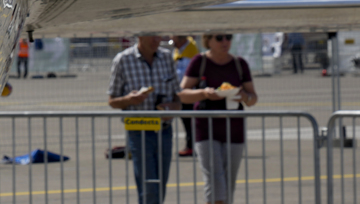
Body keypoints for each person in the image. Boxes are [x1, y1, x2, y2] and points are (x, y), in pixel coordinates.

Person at [180, 33, 258, 204]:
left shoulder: (239, 63)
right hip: (206, 128)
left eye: (228, 37)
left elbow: (253, 98)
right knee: (215, 180)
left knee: (228, 182)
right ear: (208, 40)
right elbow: (183, 94)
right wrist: (203, 93)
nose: (225, 42)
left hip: (234, 129)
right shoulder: (200, 61)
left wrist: (244, 96)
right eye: (219, 38)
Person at [108, 34, 181, 204]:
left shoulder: (166, 57)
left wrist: (172, 107)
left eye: (159, 36)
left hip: (164, 129)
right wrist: (129, 99)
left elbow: (178, 97)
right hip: (138, 129)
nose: (157, 40)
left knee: (160, 184)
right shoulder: (123, 60)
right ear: (140, 36)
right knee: (148, 187)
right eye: (152, 36)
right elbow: (112, 100)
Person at [171, 35, 199, 156]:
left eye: (174, 39)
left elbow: (183, 73)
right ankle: (191, 145)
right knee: (187, 120)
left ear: (181, 40)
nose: (173, 42)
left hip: (187, 92)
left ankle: (191, 146)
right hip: (182, 92)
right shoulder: (180, 50)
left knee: (189, 121)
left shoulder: (189, 52)